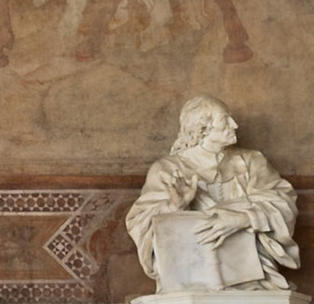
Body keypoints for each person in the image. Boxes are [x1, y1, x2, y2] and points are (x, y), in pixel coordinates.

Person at [125, 96, 299, 291]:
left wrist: (243, 219)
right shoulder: (168, 169)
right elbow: (139, 221)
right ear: (203, 128)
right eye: (225, 120)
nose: (235, 125)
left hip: (252, 274)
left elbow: (283, 203)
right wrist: (174, 206)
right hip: (193, 272)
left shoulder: (252, 161)